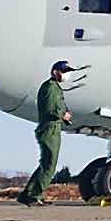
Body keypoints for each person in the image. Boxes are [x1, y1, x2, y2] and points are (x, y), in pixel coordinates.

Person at [17, 61, 74, 207]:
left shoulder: (55, 88)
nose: (67, 74)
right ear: (55, 72)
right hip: (50, 130)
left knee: (45, 164)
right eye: (64, 71)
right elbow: (50, 108)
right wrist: (63, 115)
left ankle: (27, 195)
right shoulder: (50, 88)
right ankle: (33, 196)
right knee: (49, 165)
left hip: (51, 128)